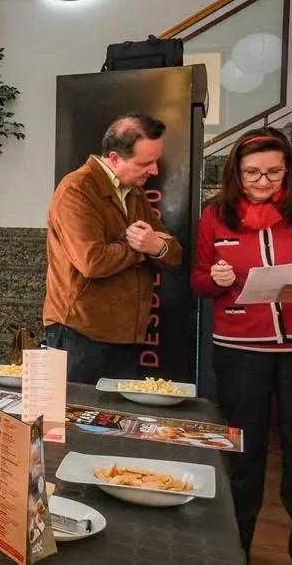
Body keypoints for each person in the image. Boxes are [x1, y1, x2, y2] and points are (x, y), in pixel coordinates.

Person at [191, 127, 292, 565]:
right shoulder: (215, 215)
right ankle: (235, 550)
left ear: (289, 170)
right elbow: (200, 278)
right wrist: (213, 280)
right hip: (241, 349)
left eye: (274, 172)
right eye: (253, 172)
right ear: (236, 172)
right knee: (242, 453)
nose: (263, 181)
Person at [43, 113, 183, 383]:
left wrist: (156, 245)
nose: (155, 170)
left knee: (115, 423)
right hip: (79, 332)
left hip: (125, 334)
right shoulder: (76, 189)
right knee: (73, 419)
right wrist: (145, 248)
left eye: (156, 160)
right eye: (146, 162)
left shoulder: (134, 191)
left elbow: (173, 251)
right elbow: (92, 261)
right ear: (115, 158)